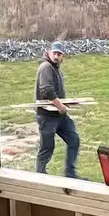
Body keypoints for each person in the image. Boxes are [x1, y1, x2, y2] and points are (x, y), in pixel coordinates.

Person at [35, 41, 80, 178]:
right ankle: (40, 176)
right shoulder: (46, 67)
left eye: (59, 54)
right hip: (47, 116)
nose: (56, 56)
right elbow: (47, 91)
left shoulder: (56, 69)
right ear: (49, 52)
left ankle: (70, 173)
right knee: (47, 147)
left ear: (62, 56)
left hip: (60, 116)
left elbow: (57, 94)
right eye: (54, 53)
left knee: (74, 140)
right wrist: (61, 106)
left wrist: (67, 104)